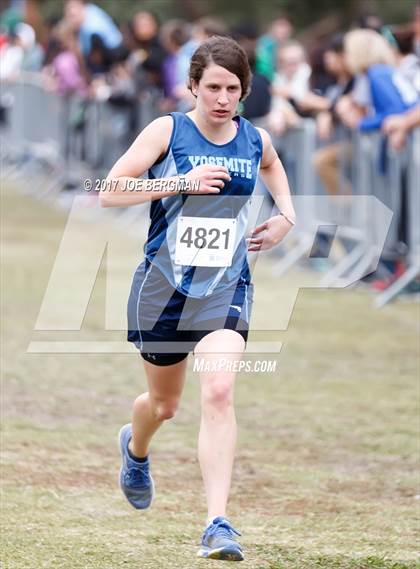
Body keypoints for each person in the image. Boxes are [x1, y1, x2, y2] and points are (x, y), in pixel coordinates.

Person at [102, 35, 295, 562]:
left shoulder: (254, 140)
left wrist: (286, 216)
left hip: (225, 288)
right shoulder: (168, 130)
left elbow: (275, 168)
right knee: (163, 406)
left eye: (233, 88)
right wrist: (178, 181)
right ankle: (135, 449)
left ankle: (217, 523)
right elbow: (107, 189)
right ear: (192, 86)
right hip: (163, 291)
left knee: (219, 393)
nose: (222, 98)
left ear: (244, 91)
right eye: (212, 86)